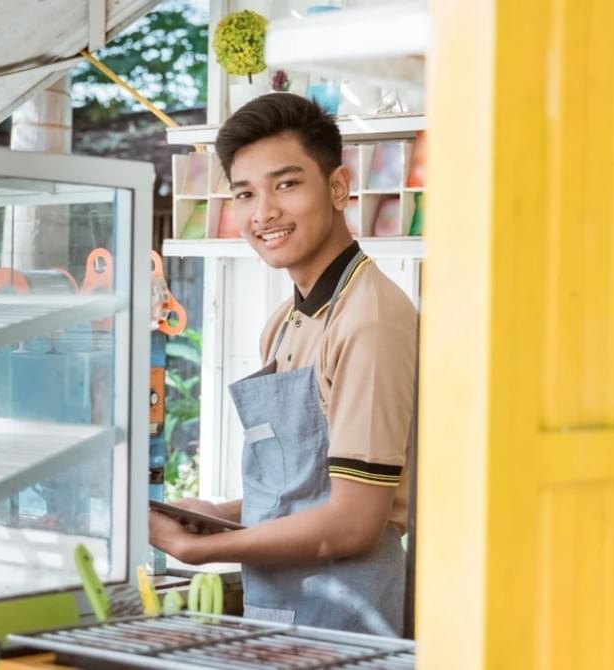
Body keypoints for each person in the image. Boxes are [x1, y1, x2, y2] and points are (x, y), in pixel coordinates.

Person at [149, 93, 418, 636]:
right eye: (245, 193)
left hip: (346, 625)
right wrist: (214, 514)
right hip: (279, 617)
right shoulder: (285, 321)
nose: (263, 212)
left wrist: (205, 549)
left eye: (286, 184)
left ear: (338, 187)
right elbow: (309, 491)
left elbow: (353, 525)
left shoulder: (370, 319)